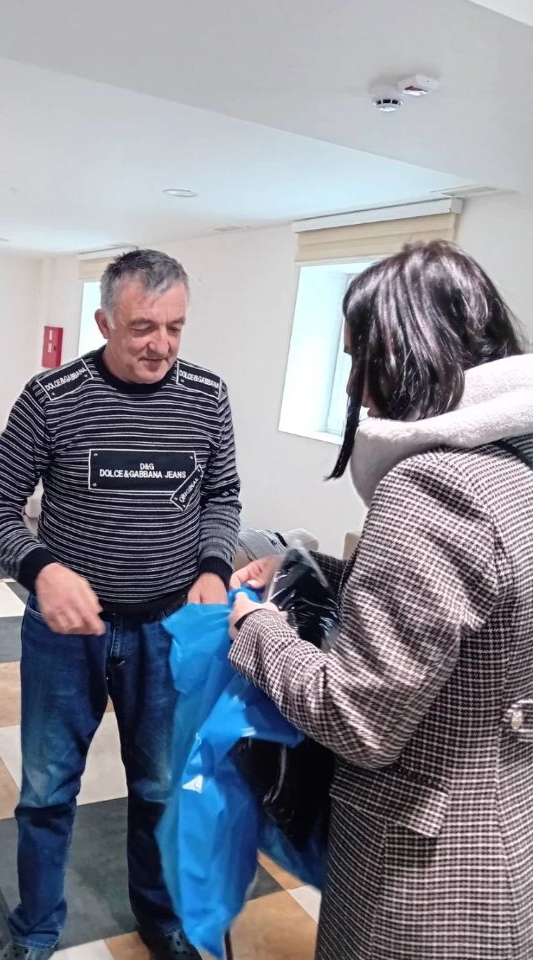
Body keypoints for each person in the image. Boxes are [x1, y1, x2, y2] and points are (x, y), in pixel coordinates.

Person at [228, 241, 533, 960]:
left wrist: (256, 625)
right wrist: (311, 566)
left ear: (398, 354)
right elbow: (476, 612)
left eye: (356, 359)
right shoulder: (515, 467)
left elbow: (355, 717)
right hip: (503, 837)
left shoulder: (434, 485)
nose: (354, 387)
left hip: (421, 878)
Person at [0, 249, 241, 960]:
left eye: (175, 327)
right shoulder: (53, 397)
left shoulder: (208, 397)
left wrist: (214, 565)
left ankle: (162, 920)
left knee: (162, 787)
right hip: (67, 633)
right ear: (104, 322)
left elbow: (222, 496)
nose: (161, 345)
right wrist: (41, 568)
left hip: (167, 629)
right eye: (142, 327)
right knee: (46, 790)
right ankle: (36, 928)